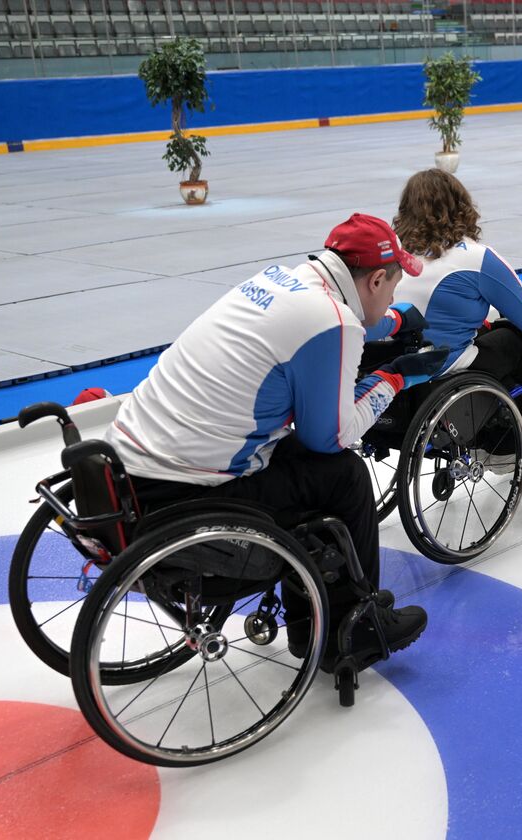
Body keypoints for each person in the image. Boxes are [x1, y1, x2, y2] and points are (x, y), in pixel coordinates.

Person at [105, 213, 448, 667]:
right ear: (377, 278)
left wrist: (387, 323)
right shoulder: (334, 321)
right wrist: (393, 379)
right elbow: (332, 436)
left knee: (297, 455)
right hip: (189, 489)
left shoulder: (278, 281)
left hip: (131, 463)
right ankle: (349, 630)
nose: (392, 299)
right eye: (392, 291)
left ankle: (317, 617)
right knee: (342, 474)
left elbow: (323, 325)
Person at [391, 168, 522, 384]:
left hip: (392, 360)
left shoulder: (394, 251)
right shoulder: (476, 257)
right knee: (513, 341)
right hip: (440, 364)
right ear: (461, 206)